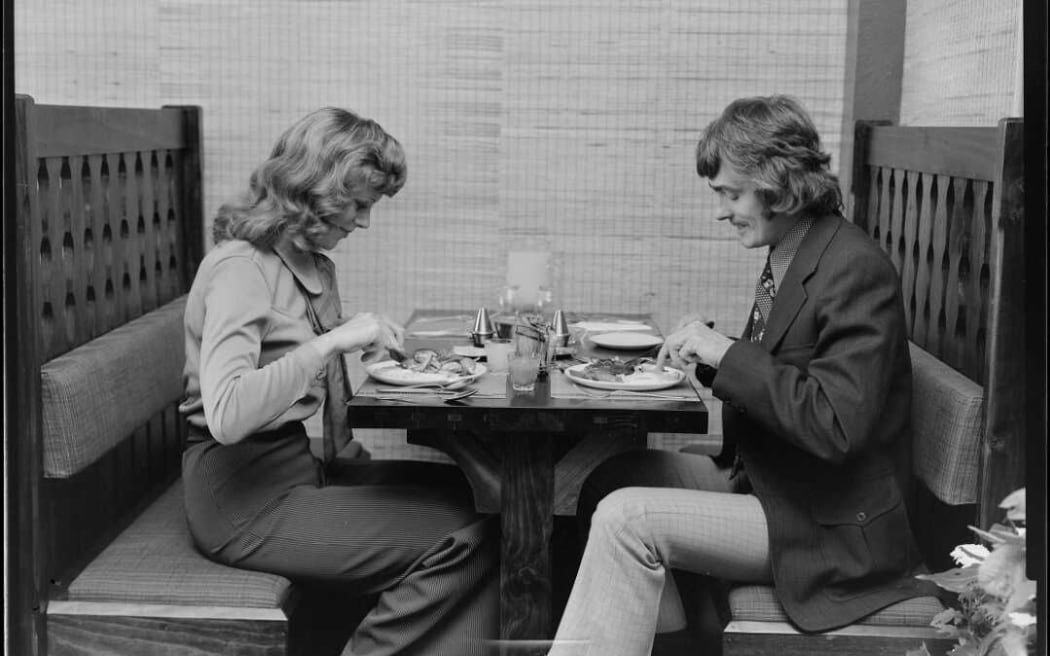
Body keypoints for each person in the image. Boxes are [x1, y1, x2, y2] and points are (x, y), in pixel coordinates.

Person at [550, 95, 933, 655]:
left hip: (829, 527)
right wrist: (710, 361)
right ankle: (674, 647)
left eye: (731, 194)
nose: (722, 211)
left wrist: (727, 353)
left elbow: (836, 426)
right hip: (772, 483)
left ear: (777, 183)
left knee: (626, 519)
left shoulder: (855, 267)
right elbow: (785, 373)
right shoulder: (795, 250)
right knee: (611, 476)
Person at [179, 107, 498, 656]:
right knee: (469, 539)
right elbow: (227, 413)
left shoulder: (314, 266)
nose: (364, 221)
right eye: (358, 203)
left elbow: (326, 384)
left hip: (298, 469)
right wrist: (331, 341)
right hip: (238, 495)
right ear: (312, 190)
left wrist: (347, 453)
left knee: (488, 502)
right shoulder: (241, 268)